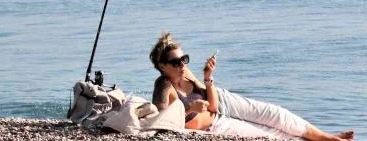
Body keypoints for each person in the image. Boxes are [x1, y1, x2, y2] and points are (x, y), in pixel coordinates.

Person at [150, 32, 354, 141]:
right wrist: (189, 110)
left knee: (277, 114)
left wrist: (208, 77)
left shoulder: (186, 74)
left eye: (184, 59)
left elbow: (212, 106)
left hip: (221, 102)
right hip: (215, 123)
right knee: (268, 135)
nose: (182, 65)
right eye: (176, 62)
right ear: (162, 66)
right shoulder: (164, 85)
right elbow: (160, 119)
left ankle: (326, 137)